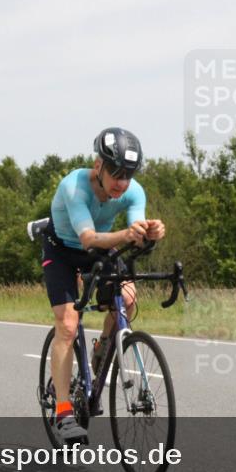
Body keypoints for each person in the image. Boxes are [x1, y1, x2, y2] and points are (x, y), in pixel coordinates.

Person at [41, 128, 165, 441]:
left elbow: (134, 230)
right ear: (99, 166)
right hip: (63, 251)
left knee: (128, 299)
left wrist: (149, 232)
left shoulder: (134, 192)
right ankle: (64, 410)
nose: (122, 182)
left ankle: (102, 349)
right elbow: (87, 238)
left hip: (102, 247)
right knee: (68, 325)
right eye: (117, 173)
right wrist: (127, 235)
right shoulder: (74, 188)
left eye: (129, 174)